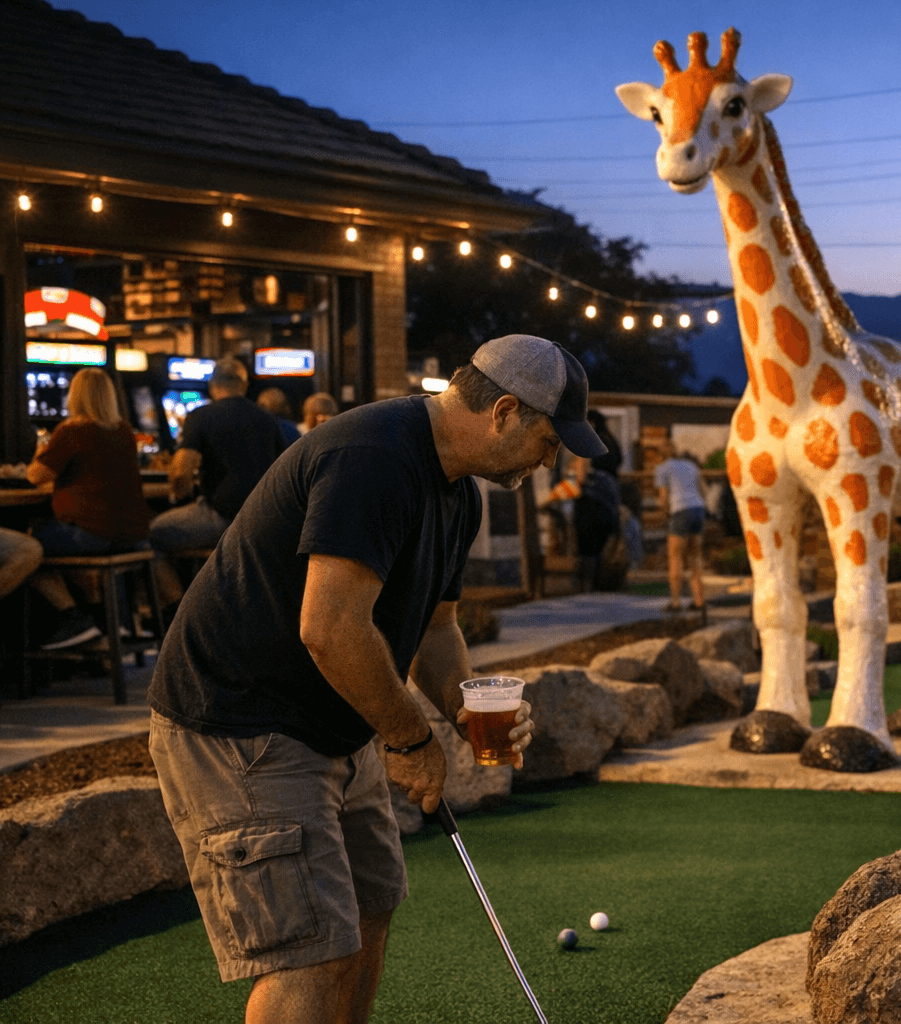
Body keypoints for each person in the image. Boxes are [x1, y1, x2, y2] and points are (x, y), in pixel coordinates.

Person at [146, 334, 608, 1022]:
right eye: (550, 441)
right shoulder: (374, 457)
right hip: (241, 723)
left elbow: (437, 629)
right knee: (310, 950)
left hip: (332, 720)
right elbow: (329, 627)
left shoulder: (460, 494)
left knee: (368, 912)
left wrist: (465, 711)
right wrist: (408, 737)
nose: (552, 460)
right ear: (505, 412)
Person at [25, 367, 152, 649]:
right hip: (133, 535)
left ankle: (74, 620)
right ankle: (115, 623)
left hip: (94, 533)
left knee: (29, 548)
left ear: (75, 396)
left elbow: (35, 475)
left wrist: (40, 451)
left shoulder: (73, 431)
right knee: (75, 545)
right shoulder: (124, 431)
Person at [149, 357, 285, 611]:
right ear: (244, 386)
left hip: (221, 517)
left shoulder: (200, 416)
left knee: (152, 535)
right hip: (265, 521)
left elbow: (180, 471)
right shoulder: (267, 419)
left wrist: (180, 495)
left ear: (213, 387)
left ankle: (178, 613)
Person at [539, 454, 621, 592]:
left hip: (593, 519)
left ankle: (589, 583)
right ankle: (591, 583)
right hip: (601, 520)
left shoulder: (585, 480)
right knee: (592, 551)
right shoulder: (602, 479)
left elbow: (558, 495)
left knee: (588, 551)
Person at [654, 437, 706, 611]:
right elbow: (703, 490)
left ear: (660, 455)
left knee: (675, 558)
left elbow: (663, 499)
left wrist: (664, 515)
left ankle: (675, 602)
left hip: (680, 512)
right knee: (694, 558)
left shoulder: (662, 469)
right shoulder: (690, 465)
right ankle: (699, 601)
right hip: (698, 509)